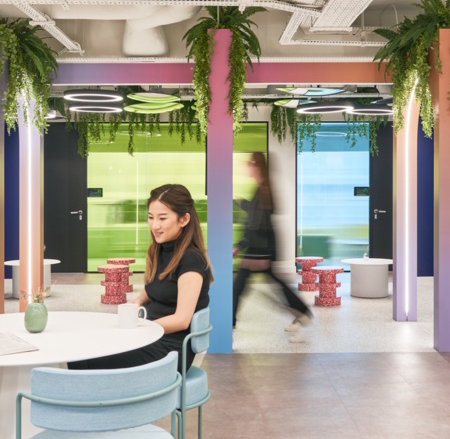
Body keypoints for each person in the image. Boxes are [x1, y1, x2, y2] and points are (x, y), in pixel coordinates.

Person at [69, 183, 212, 373]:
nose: (155, 225)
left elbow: (181, 320)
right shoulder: (159, 250)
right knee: (83, 348)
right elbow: (156, 287)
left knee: (86, 358)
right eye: (151, 217)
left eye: (162, 218)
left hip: (170, 350)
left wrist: (141, 326)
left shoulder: (191, 260)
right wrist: (138, 300)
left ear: (184, 219)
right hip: (150, 337)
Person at [232, 152, 312, 338]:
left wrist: (244, 247)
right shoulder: (262, 189)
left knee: (241, 286)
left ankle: (229, 325)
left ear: (256, 165)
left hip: (260, 249)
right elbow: (257, 218)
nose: (247, 167)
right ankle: (303, 313)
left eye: (249, 163)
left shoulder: (263, 190)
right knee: (246, 285)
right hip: (261, 248)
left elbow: (258, 224)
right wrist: (244, 204)